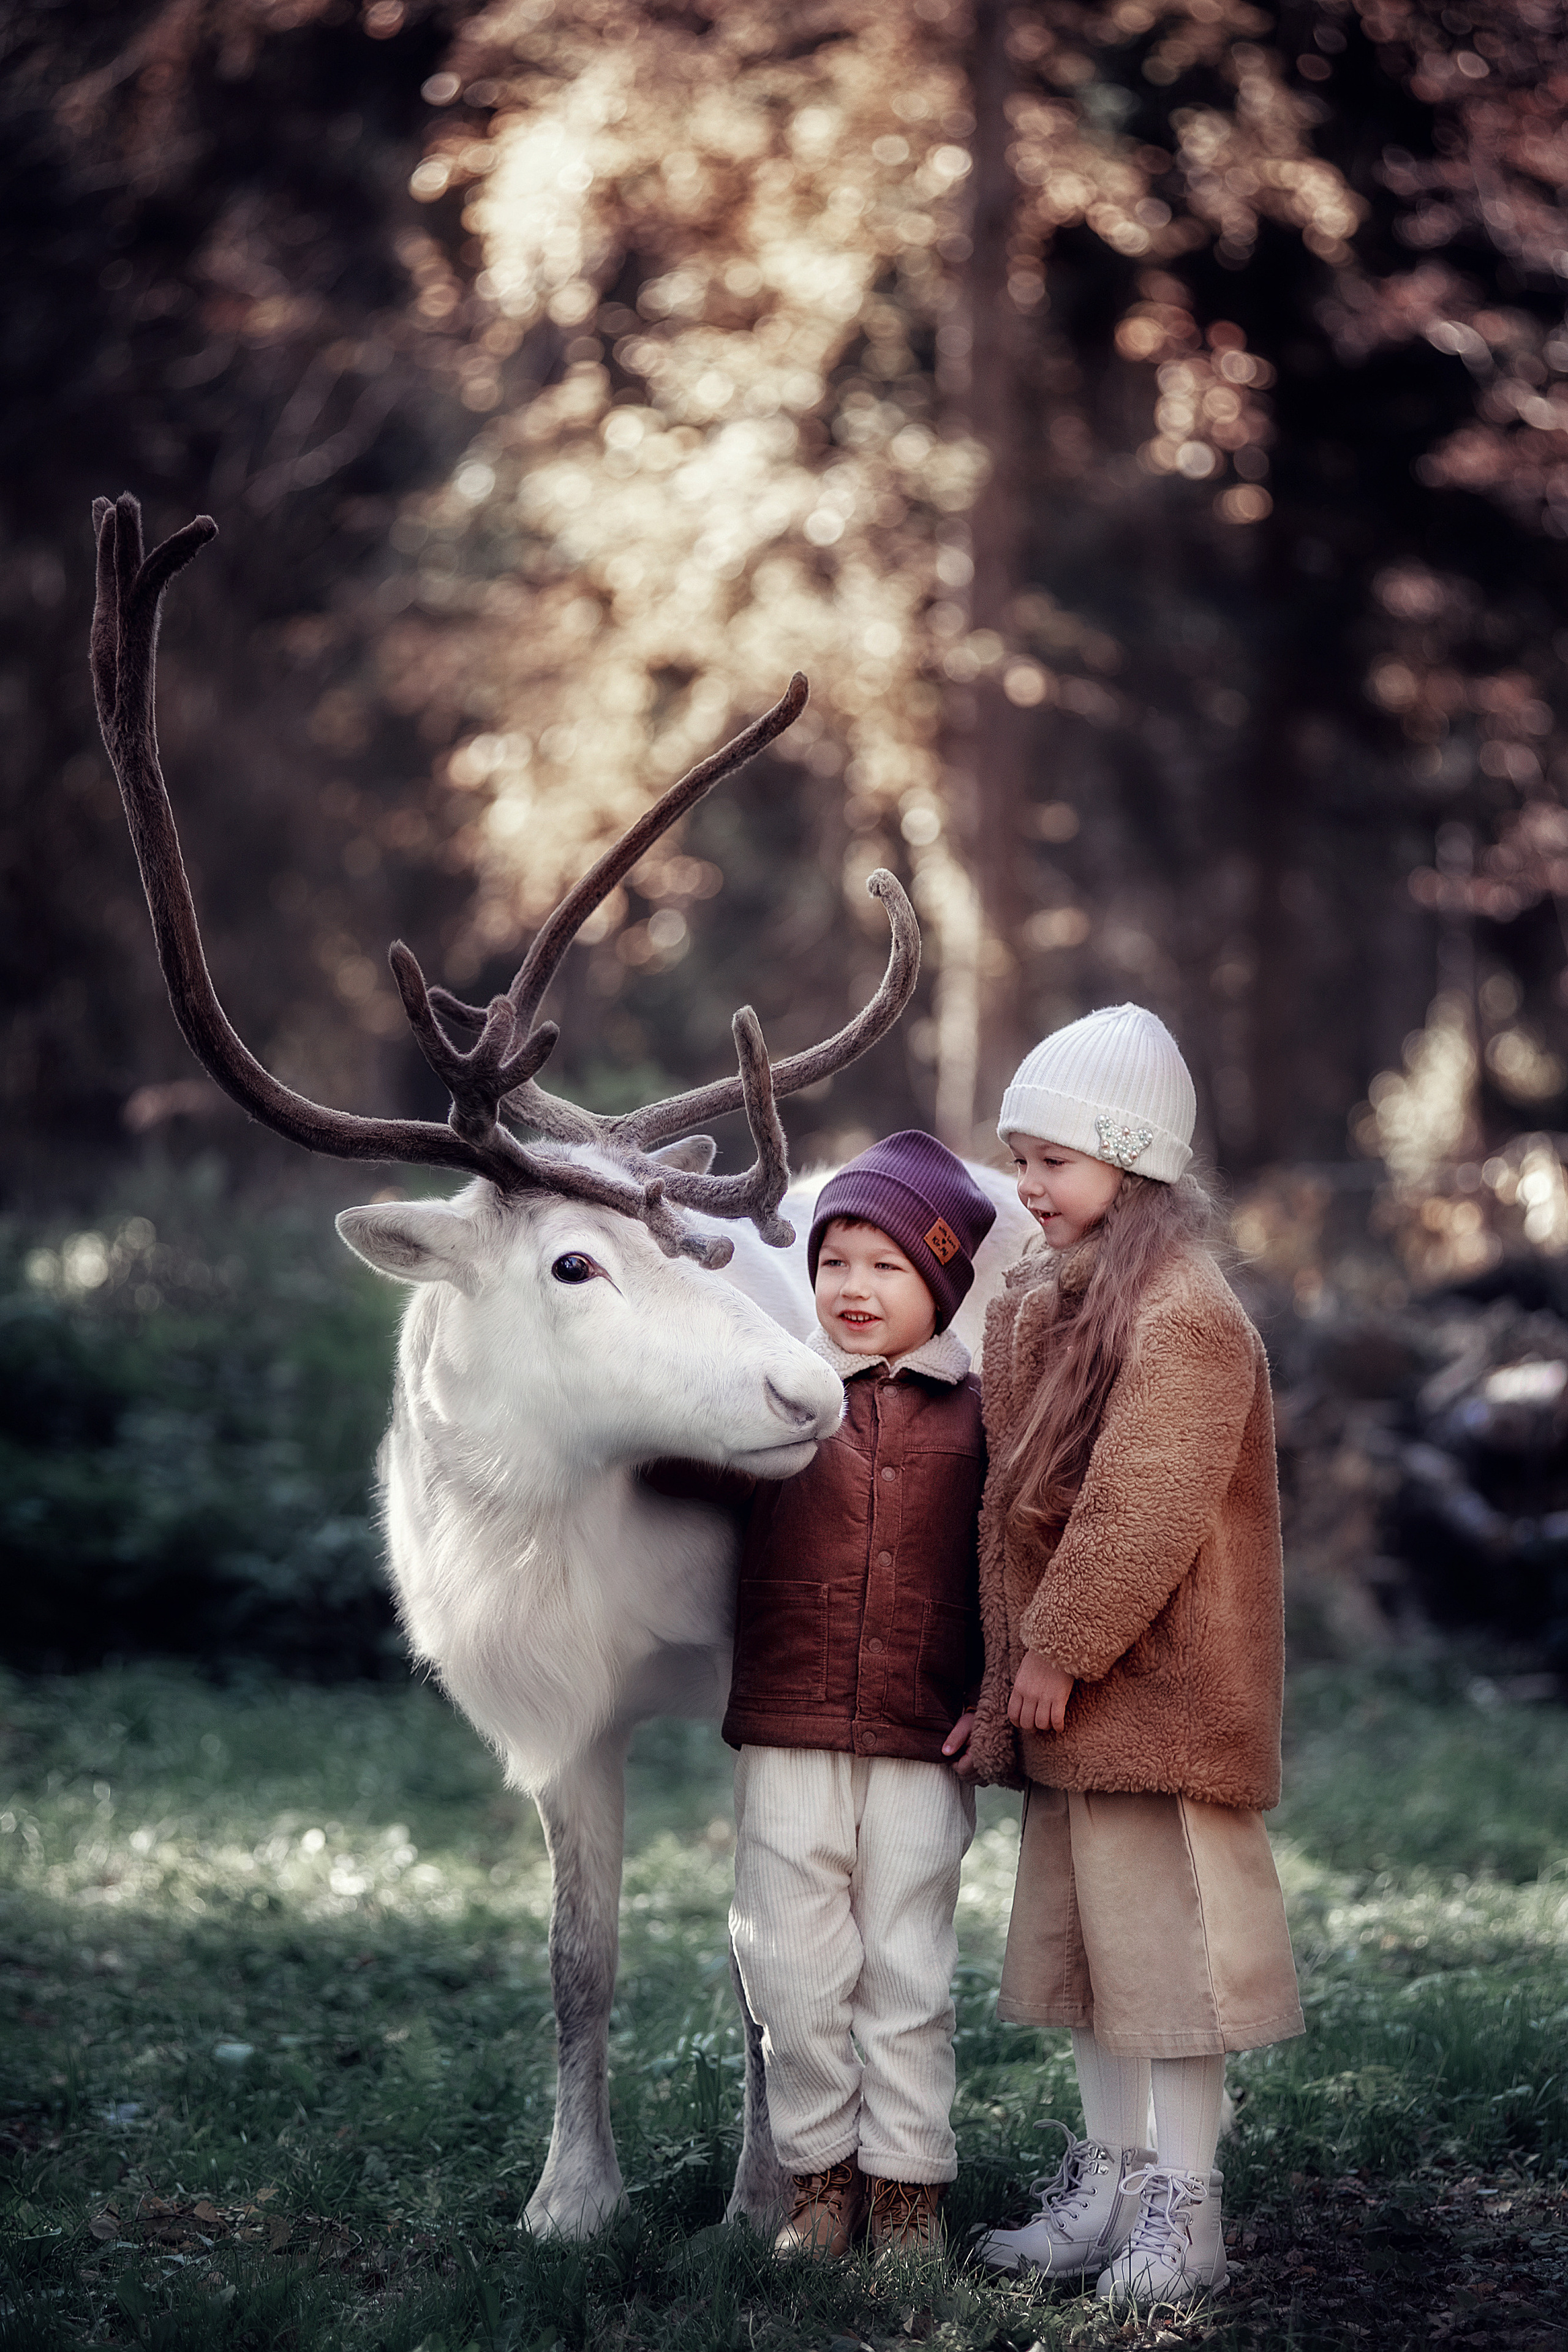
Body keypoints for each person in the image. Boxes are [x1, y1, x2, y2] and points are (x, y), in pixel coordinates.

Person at [956, 1004, 1303, 2309]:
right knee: (1094, 1963)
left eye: (1050, 1159)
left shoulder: (1184, 1313)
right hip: (1076, 1710)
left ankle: (1186, 2203)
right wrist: (1014, 1681)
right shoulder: (1054, 1303)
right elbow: (1017, 1501)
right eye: (1017, 1157)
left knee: (1168, 1972)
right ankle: (1108, 2178)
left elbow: (1143, 1498)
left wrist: (1055, 1646)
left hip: (1151, 1694)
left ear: (1130, 1159)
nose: (1024, 1186)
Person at [656, 1132, 996, 2261]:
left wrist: (991, 1700)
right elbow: (666, 1449)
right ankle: (820, 2183)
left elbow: (1015, 1571)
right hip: (789, 1736)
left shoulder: (983, 1423)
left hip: (922, 1739)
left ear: (940, 1286)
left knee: (908, 1972)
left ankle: (906, 2196)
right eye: (833, 1261)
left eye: (886, 1265)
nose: (851, 1288)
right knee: (791, 1968)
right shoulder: (778, 1402)